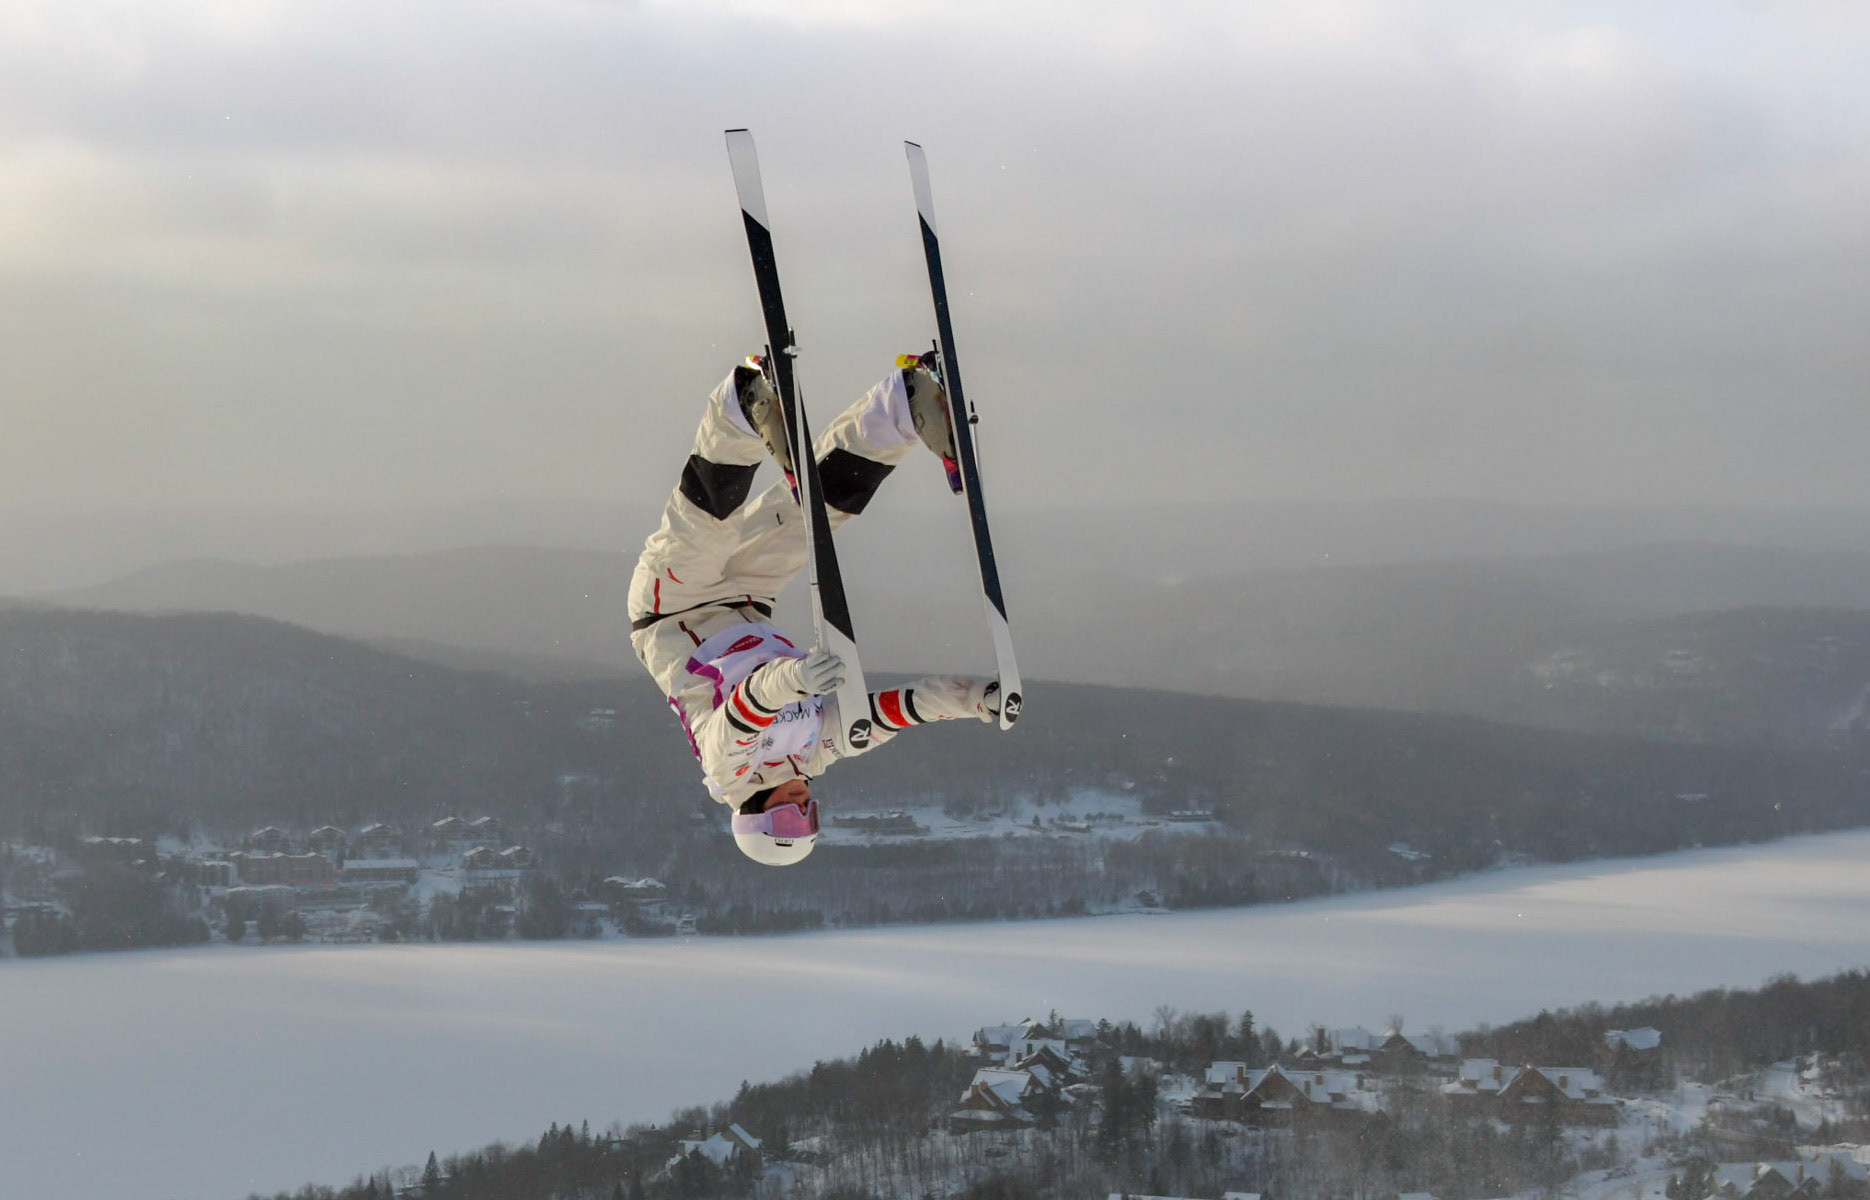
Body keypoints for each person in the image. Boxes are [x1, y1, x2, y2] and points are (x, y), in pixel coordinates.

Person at [629, 358, 1002, 866]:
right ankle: (905, 404)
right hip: (748, 599)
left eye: (788, 820)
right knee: (819, 514)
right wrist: (976, 700)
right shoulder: (815, 750)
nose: (802, 807)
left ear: (754, 816)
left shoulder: (728, 770)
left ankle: (742, 404)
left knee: (709, 516)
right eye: (810, 820)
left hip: (672, 607)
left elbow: (747, 707)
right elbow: (895, 711)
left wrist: (797, 679)